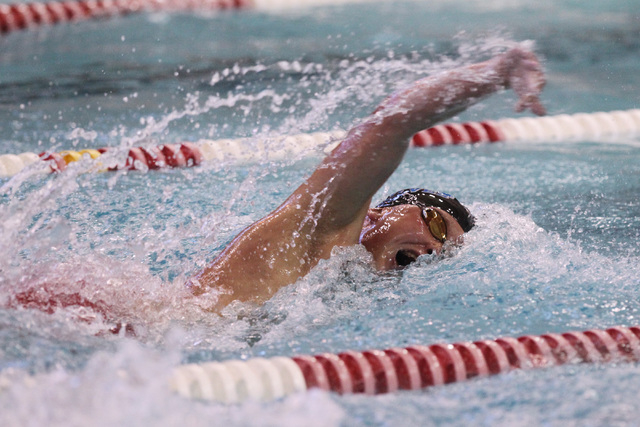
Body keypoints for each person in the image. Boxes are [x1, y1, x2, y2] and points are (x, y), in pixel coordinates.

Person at [189, 46, 546, 312]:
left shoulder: (342, 291)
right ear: (374, 213)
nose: (435, 248)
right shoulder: (318, 231)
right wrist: (498, 73)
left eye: (444, 252)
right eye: (437, 226)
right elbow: (389, 124)